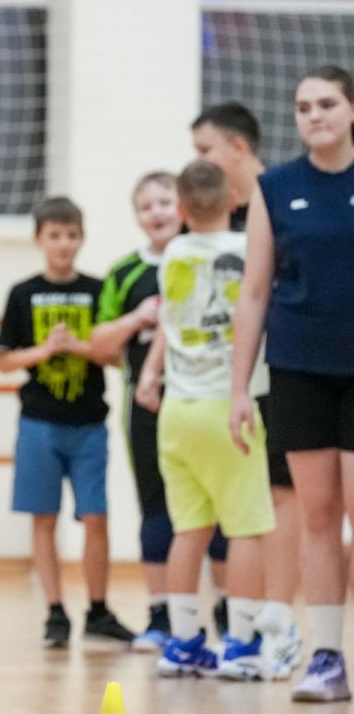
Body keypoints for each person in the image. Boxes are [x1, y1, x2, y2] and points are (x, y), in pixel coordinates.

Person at [230, 65, 354, 703]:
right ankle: (326, 656)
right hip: (299, 369)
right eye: (304, 107)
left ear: (351, 109)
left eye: (327, 103)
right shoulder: (275, 188)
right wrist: (238, 389)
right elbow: (254, 292)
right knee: (317, 516)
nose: (315, 115)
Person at [134, 161, 275, 681]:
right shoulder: (247, 249)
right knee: (247, 529)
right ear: (234, 200)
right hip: (228, 406)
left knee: (188, 530)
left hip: (178, 411)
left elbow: (168, 322)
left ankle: (183, 642)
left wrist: (149, 374)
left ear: (181, 208)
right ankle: (242, 643)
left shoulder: (173, 253)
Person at [0, 197, 135, 649]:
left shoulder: (99, 289)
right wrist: (45, 350)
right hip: (38, 425)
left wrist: (79, 346)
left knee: (96, 517)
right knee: (44, 520)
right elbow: (4, 360)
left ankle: (98, 609)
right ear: (39, 239)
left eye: (71, 235)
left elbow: (116, 356)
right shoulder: (22, 292)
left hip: (89, 424)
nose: (63, 244)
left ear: (82, 238)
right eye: (55, 235)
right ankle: (55, 612)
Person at [192, 102, 303, 669]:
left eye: (205, 149)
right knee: (246, 507)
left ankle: (281, 623)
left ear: (238, 147)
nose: (198, 161)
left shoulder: (282, 199)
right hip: (230, 385)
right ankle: (250, 626)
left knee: (282, 497)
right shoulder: (219, 220)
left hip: (285, 371)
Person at [91, 172, 181, 652]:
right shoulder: (126, 272)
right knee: (155, 503)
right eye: (147, 206)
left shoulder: (200, 256)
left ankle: (224, 613)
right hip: (145, 405)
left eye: (165, 201)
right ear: (137, 217)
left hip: (200, 399)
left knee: (213, 509)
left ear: (182, 204)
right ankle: (161, 615)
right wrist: (137, 318)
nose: (157, 212)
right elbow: (99, 344)